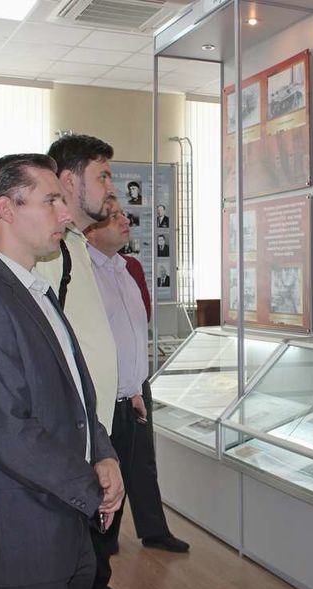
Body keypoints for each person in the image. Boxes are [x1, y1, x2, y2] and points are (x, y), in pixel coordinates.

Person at [0, 153, 124, 589]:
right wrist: (92, 487)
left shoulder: (34, 289)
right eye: (51, 201)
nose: (66, 215)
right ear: (6, 209)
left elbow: (76, 393)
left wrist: (104, 454)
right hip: (22, 531)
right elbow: (10, 431)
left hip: (64, 517)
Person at [36, 135, 138, 589]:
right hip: (71, 429)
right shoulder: (50, 253)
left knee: (93, 545)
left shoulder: (74, 245)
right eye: (102, 176)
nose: (110, 187)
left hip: (94, 421)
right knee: (73, 549)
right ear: (69, 180)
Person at [85, 201, 189, 556]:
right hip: (103, 392)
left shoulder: (128, 268)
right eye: (113, 217)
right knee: (106, 467)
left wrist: (135, 388)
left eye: (122, 215)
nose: (124, 221)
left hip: (134, 388)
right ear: (91, 231)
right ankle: (104, 542)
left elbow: (139, 321)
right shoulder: (83, 272)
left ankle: (153, 530)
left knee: (141, 462)